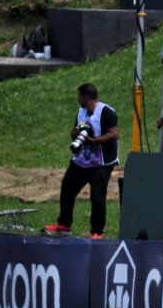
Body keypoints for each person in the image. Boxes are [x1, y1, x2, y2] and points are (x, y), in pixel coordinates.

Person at [43, 83, 119, 239]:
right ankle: (64, 225)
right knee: (67, 188)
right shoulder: (81, 112)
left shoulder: (106, 112)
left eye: (79, 96)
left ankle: (97, 232)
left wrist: (94, 140)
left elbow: (114, 134)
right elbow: (73, 133)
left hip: (101, 162)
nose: (77, 99)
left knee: (97, 196)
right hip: (82, 161)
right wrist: (76, 132)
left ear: (85, 96)